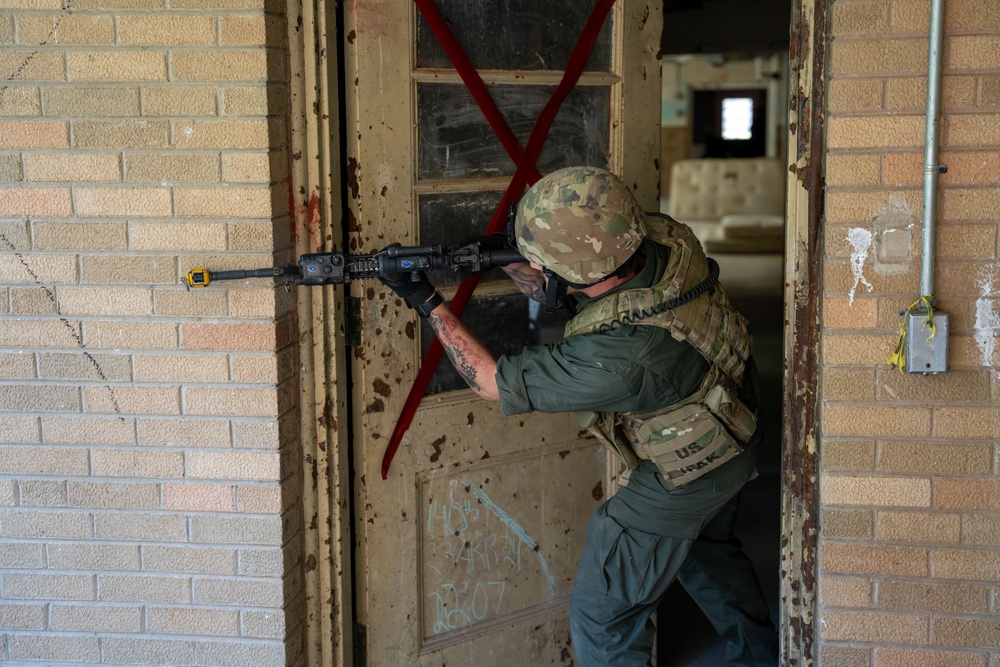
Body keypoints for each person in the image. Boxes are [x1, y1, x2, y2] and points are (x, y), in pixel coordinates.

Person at [380, 166, 778, 666]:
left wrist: (427, 300)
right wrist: (496, 257)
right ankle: (761, 657)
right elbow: (586, 261)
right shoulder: (665, 241)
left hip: (688, 471)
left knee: (604, 616)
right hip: (732, 429)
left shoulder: (622, 359)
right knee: (709, 556)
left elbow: (488, 381)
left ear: (574, 272)